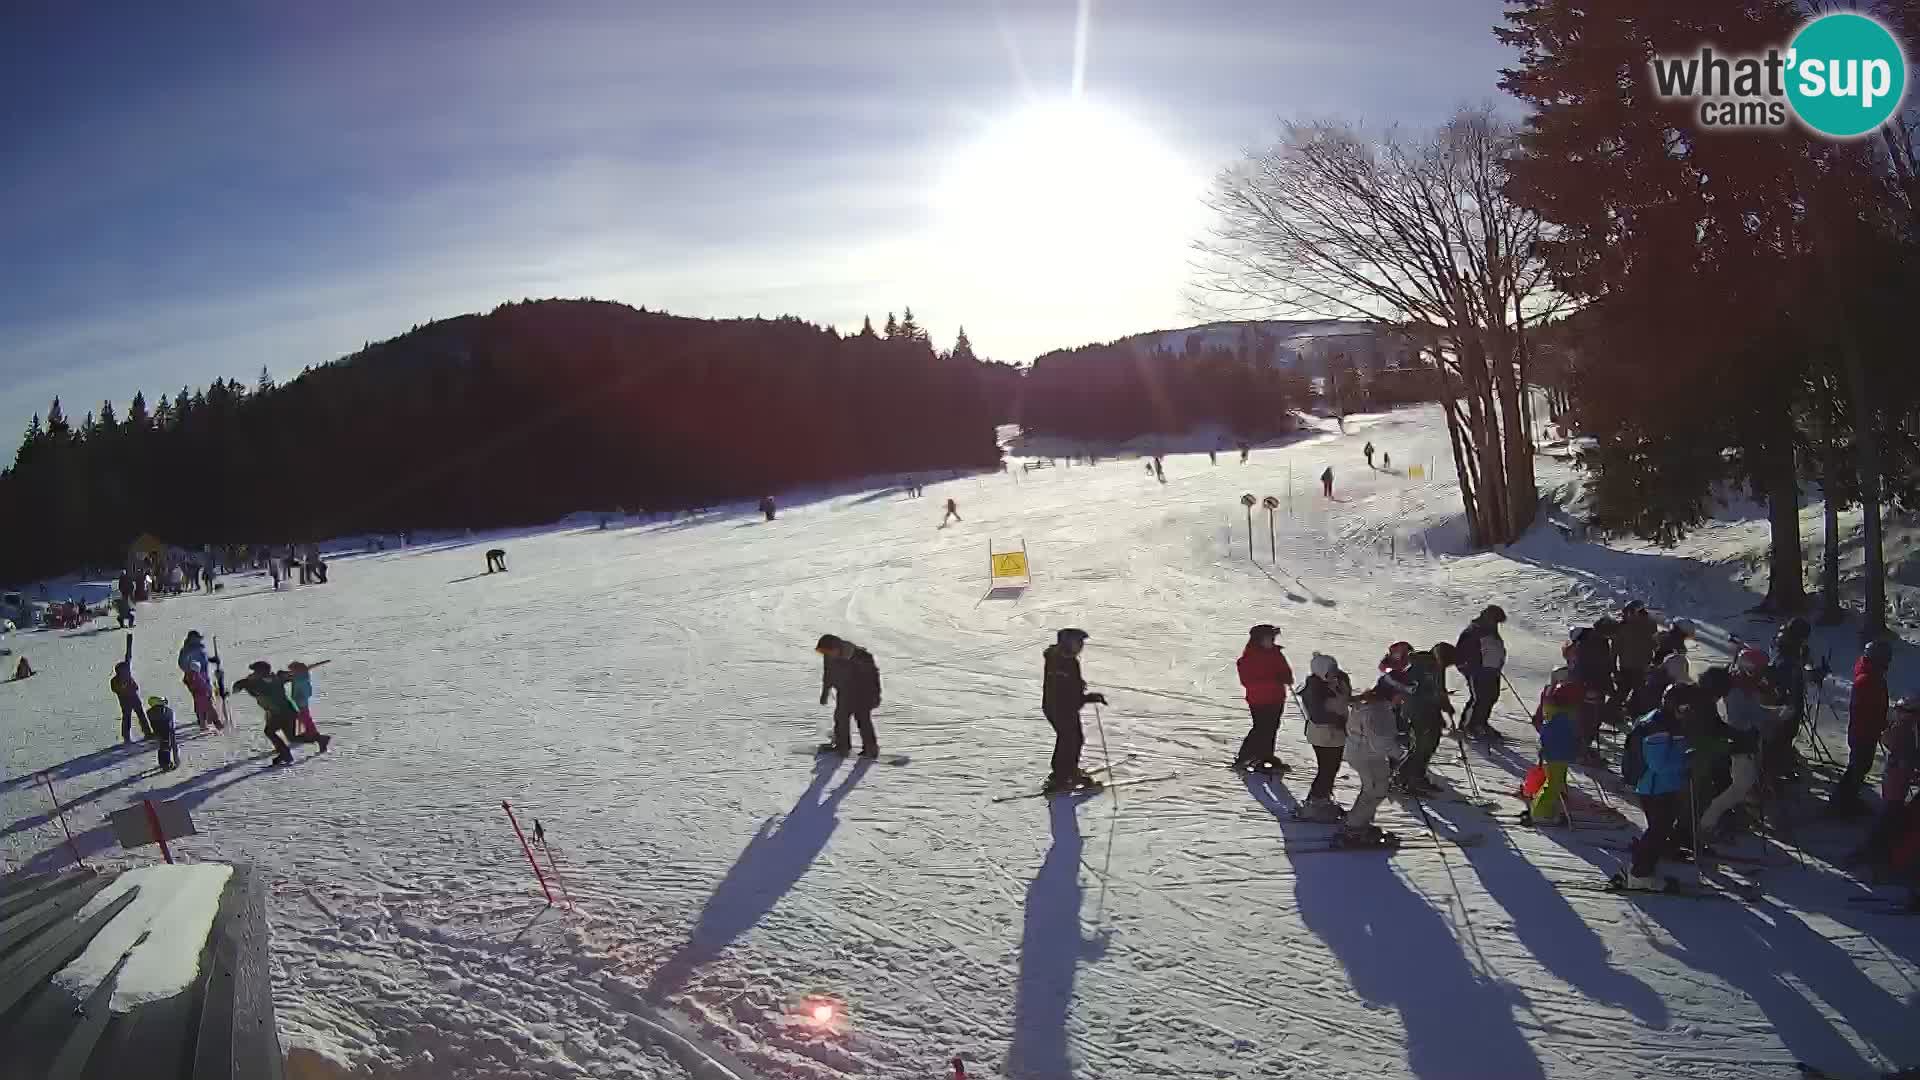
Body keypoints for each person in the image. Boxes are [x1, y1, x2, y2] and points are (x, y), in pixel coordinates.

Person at [1698, 650, 1781, 841]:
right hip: (1738, 743)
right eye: (1760, 671)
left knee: (1745, 783)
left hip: (1746, 740)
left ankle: (1739, 815)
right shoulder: (1735, 690)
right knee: (1739, 786)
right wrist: (1772, 716)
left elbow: (1753, 711)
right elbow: (1739, 720)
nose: (1763, 675)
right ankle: (1707, 823)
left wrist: (1773, 713)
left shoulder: (1746, 685)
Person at [1619, 684, 1694, 889]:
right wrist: (1687, 760)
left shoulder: (1665, 721)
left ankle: (1644, 866)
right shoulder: (1657, 727)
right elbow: (1659, 764)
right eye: (1684, 708)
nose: (1686, 712)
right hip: (1654, 787)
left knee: (1659, 830)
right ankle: (1639, 874)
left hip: (1663, 786)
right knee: (1658, 830)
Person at [1339, 673, 1404, 846]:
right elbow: (1381, 742)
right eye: (1401, 694)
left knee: (1374, 789)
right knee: (1375, 790)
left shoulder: (1370, 703)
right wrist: (1399, 752)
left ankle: (1359, 821)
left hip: (1362, 752)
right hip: (1367, 756)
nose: (1402, 699)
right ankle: (1354, 828)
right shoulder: (1378, 711)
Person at [1041, 628, 1106, 794]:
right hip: (1060, 708)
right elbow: (1066, 693)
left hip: (1057, 707)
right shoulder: (1064, 662)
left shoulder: (1060, 658)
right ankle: (1066, 775)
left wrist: (1079, 686)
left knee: (1068, 739)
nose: (1081, 646)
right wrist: (1089, 697)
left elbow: (1069, 688)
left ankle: (1062, 773)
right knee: (1071, 739)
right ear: (1068, 643)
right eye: (1078, 642)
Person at [1833, 640, 1893, 816]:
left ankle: (1846, 798)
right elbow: (1868, 708)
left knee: (1860, 767)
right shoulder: (1867, 680)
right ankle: (1843, 802)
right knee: (1858, 767)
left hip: (1866, 730)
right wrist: (1879, 723)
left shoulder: (1872, 676)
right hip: (1863, 731)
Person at [233, 660, 330, 765]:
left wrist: (296, 673)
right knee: (291, 738)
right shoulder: (275, 678)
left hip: (281, 713)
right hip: (286, 712)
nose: (252, 673)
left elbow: (239, 687)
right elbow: (237, 687)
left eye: (255, 671)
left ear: (261, 673)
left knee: (270, 732)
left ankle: (285, 753)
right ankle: (320, 739)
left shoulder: (255, 683)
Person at [1523, 671, 1583, 826]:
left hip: (1558, 753)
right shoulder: (1561, 718)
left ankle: (1546, 805)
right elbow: (1558, 736)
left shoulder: (1556, 712)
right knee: (1553, 783)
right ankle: (1541, 812)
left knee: (1556, 782)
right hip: (1557, 754)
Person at [1298, 653, 1351, 821]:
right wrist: (1338, 721)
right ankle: (1315, 801)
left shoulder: (1339, 681)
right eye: (1330, 671)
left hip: (1337, 734)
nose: (1334, 673)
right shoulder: (1313, 689)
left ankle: (1322, 798)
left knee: (1332, 768)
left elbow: (1346, 699)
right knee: (1326, 769)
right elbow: (1317, 715)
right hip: (1323, 735)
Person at [1234, 625, 1293, 773]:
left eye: (1273, 638)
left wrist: (1287, 677)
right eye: (1269, 638)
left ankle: (1266, 758)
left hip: (1277, 697)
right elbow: (1248, 681)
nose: (1272, 641)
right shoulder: (1249, 658)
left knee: (1272, 728)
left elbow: (1284, 669)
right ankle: (1244, 757)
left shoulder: (1275, 653)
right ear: (1258, 640)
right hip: (1259, 700)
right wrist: (1275, 680)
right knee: (1261, 729)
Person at [1391, 646, 1450, 795]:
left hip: (1429, 713)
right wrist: (1437, 702)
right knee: (1421, 747)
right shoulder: (1419, 670)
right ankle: (1403, 778)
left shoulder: (1433, 668)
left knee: (1429, 746)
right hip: (1419, 714)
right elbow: (1416, 694)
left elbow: (1437, 691)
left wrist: (1444, 705)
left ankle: (1417, 776)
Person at [815, 634, 881, 757]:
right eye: (823, 652)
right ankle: (842, 746)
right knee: (840, 718)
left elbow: (873, 678)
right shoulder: (829, 656)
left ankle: (871, 749)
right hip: (845, 692)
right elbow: (828, 674)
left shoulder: (862, 657)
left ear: (836, 648)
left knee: (863, 720)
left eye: (828, 651)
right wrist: (825, 692)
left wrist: (875, 697)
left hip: (863, 694)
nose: (826, 655)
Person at [1455, 605, 1508, 738]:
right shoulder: (1473, 631)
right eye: (1495, 620)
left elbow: (1496, 649)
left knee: (1491, 697)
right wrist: (1467, 668)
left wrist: (1499, 663)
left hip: (1492, 670)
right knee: (1479, 698)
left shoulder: (1491, 631)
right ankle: (1467, 725)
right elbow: (1461, 652)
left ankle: (1481, 723)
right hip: (1477, 670)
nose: (1496, 624)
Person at [177, 631, 223, 732]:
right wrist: (193, 671)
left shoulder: (200, 647)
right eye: (197, 638)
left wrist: (213, 660)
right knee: (203, 700)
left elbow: (204, 659)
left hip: (204, 676)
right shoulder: (186, 650)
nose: (199, 640)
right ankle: (206, 721)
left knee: (205, 698)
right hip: (194, 678)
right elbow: (182, 664)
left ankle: (205, 719)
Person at [1614, 600, 1658, 705]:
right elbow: (1614, 650)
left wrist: (1654, 664)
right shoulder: (1622, 627)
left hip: (1642, 668)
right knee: (1621, 696)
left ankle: (1635, 714)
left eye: (1629, 612)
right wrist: (1614, 670)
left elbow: (1655, 645)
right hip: (1627, 668)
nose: (1626, 615)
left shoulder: (1650, 625)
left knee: (1641, 698)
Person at [110, 661, 151, 743]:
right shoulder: (115, 681)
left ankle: (147, 732)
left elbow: (136, 687)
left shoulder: (128, 678)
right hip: (126, 702)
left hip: (134, 700)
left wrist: (130, 683)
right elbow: (116, 690)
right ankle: (126, 736)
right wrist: (125, 685)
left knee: (140, 716)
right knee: (127, 718)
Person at [289, 661, 323, 738]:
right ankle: (309, 730)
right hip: (301, 698)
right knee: (304, 715)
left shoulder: (300, 678)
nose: (291, 671)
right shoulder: (302, 675)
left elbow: (299, 686)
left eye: (292, 670)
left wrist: (293, 677)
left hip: (301, 698)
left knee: (304, 716)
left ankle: (311, 731)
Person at [147, 695, 179, 772]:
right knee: (166, 748)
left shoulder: (150, 712)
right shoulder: (167, 711)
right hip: (166, 732)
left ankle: (163, 763)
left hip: (158, 732)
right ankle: (166, 765)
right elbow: (170, 721)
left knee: (162, 748)